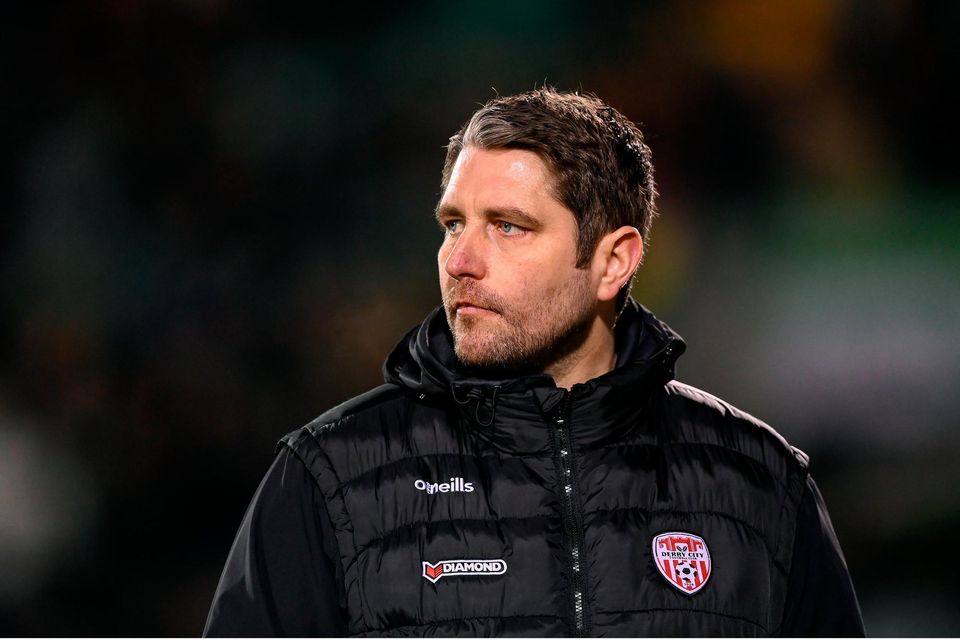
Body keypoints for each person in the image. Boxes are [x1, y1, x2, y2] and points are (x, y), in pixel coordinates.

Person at [203, 88, 865, 637]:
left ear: (613, 261)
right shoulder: (330, 478)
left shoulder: (760, 484)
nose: (459, 261)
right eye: (453, 223)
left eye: (508, 226)